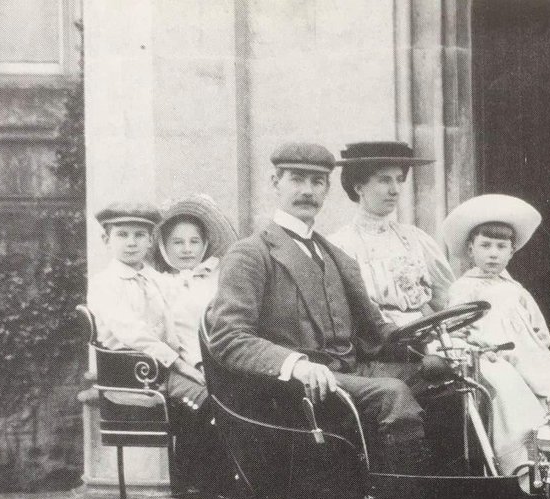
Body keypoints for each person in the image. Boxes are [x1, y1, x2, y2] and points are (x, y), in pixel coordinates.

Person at [204, 142, 428, 475]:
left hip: (346, 373)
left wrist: (431, 339)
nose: (308, 191)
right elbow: (228, 337)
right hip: (291, 392)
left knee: (445, 374)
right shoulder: (251, 254)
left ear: (326, 190)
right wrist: (295, 364)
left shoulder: (336, 255)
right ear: (275, 182)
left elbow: (375, 332)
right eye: (297, 179)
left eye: (317, 182)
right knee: (392, 394)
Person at [442, 194, 550, 475]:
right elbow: (455, 331)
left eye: (501, 247)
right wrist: (479, 343)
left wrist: (534, 346)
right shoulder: (464, 289)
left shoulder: (515, 290)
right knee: (512, 396)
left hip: (525, 355)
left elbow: (539, 331)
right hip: (489, 356)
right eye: (485, 246)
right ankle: (522, 464)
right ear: (471, 249)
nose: (493, 253)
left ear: (511, 252)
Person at [86, 200, 207, 413]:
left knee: (227, 392)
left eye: (139, 235)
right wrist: (180, 365)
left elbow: (181, 323)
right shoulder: (104, 284)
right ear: (106, 240)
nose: (131, 243)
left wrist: (197, 363)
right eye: (122, 235)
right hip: (132, 377)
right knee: (207, 399)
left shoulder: (157, 280)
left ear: (150, 240)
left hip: (163, 370)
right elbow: (133, 333)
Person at [328, 141, 454, 326]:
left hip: (427, 339)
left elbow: (447, 300)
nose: (395, 190)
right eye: (384, 180)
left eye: (399, 179)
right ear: (359, 187)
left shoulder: (415, 239)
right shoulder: (339, 246)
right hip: (373, 345)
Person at [152, 194, 239, 367]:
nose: (187, 249)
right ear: (163, 245)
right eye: (177, 242)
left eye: (194, 242)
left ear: (205, 244)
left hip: (226, 359)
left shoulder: (218, 278)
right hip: (184, 365)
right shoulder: (158, 284)